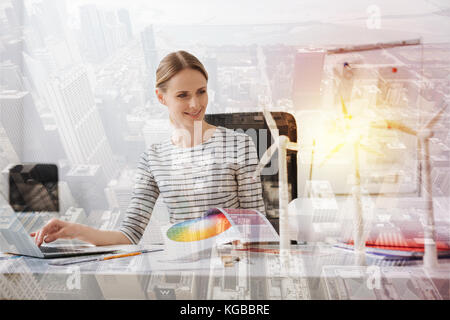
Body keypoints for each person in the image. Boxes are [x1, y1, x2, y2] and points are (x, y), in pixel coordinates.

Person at [31, 50, 266, 247]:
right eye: (183, 95)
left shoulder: (239, 144)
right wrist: (74, 230)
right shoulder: (154, 158)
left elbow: (256, 225)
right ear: (161, 98)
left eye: (201, 92)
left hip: (232, 264)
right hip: (185, 266)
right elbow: (130, 234)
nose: (195, 104)